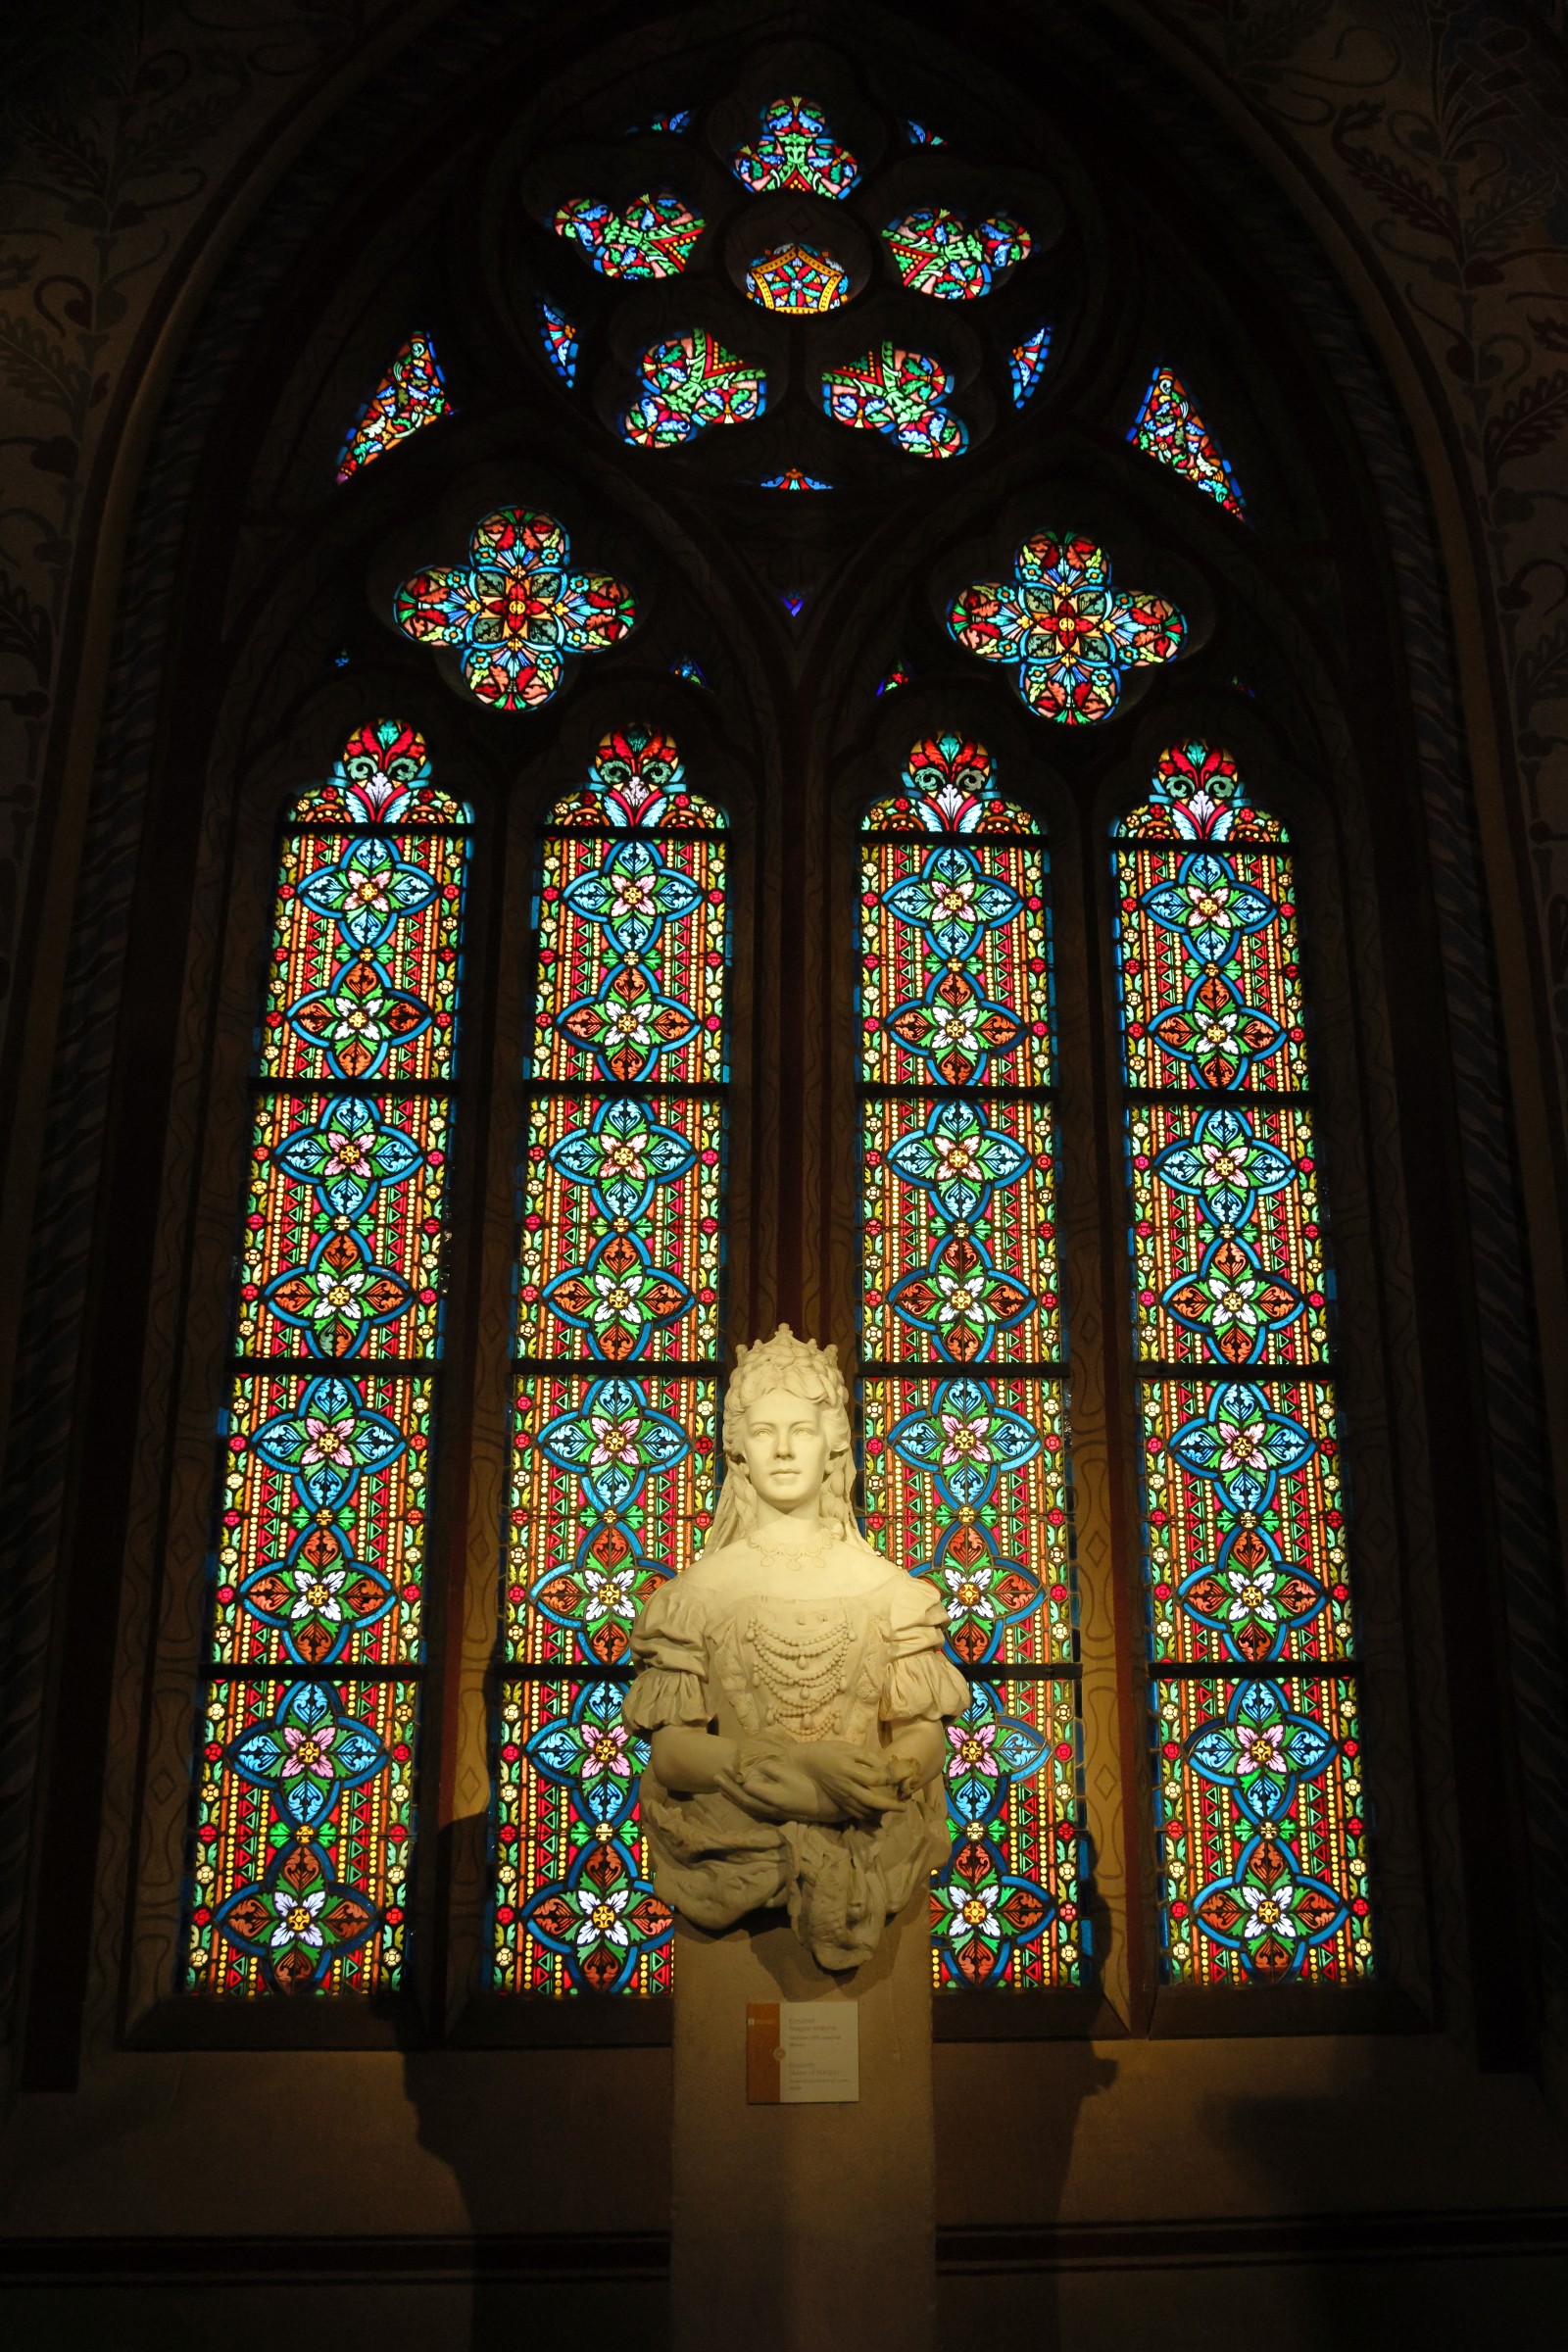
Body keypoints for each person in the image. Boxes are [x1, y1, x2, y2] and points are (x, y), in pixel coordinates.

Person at [622, 1325, 968, 1971]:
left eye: (800, 1431)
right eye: (764, 1431)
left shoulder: (894, 1596)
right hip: (730, 1858)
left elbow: (922, 1739)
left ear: (833, 1444)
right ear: (738, 1451)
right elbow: (672, 1754)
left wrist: (890, 1774)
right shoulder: (694, 1598)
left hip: (874, 1842)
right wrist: (809, 1773)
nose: (783, 1451)